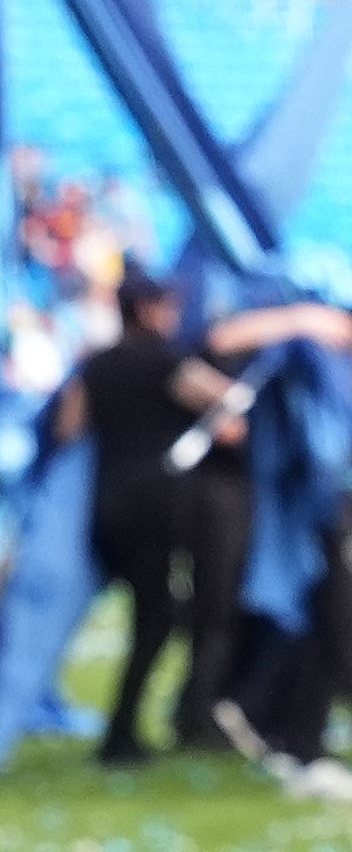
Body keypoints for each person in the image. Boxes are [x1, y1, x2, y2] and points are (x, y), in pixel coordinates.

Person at [66, 271, 234, 764]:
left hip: (109, 504)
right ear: (146, 309)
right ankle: (121, 734)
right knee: (158, 618)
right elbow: (225, 402)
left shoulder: (94, 365)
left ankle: (124, 731)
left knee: (155, 615)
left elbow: (68, 427)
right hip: (156, 508)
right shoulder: (166, 360)